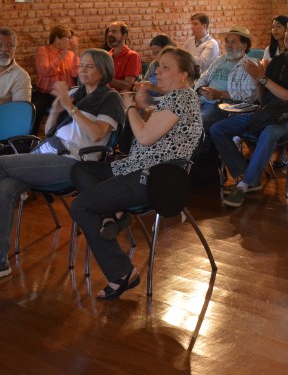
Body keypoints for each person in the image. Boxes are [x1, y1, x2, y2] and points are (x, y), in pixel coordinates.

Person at [70, 47, 201, 300]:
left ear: (183, 75)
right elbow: (148, 133)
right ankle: (112, 215)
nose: (157, 71)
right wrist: (141, 107)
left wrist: (129, 107)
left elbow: (144, 137)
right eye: (158, 65)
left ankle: (121, 273)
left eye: (165, 67)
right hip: (135, 167)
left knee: (81, 206)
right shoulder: (177, 98)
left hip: (151, 177)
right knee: (81, 168)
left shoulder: (180, 99)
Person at [0, 49, 124, 278]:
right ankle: (1, 262)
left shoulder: (110, 98)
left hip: (74, 162)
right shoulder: (77, 93)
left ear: (103, 70)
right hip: (48, 152)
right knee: (4, 187)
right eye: (82, 65)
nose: (83, 70)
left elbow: (97, 133)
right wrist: (57, 110)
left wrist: (70, 107)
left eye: (89, 66)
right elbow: (49, 132)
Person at [211, 17, 288, 208]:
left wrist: (262, 79)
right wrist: (256, 79)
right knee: (218, 129)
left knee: (269, 132)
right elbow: (262, 98)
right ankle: (246, 174)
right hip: (265, 112)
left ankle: (243, 186)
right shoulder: (278, 61)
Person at [194, 26, 258, 132]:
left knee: (196, 124)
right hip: (202, 101)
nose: (228, 45)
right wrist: (201, 89)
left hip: (224, 106)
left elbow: (249, 96)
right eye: (227, 42)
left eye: (233, 42)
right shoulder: (220, 60)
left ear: (244, 45)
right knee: (177, 118)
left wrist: (220, 94)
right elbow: (203, 77)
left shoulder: (250, 65)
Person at [32, 24, 80, 134]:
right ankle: (28, 142)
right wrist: (61, 57)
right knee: (34, 111)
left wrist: (76, 51)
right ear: (57, 38)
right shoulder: (43, 51)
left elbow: (75, 73)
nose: (70, 40)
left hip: (65, 94)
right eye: (67, 37)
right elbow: (44, 71)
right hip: (46, 93)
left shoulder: (71, 54)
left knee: (74, 110)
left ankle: (62, 139)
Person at [105, 21, 142, 91]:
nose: (109, 34)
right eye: (109, 31)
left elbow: (128, 85)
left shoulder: (132, 56)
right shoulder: (107, 55)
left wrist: (105, 79)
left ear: (124, 36)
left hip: (120, 98)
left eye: (114, 31)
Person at [0, 27, 31, 105]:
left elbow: (20, 112)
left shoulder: (21, 76)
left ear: (15, 48)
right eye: (0, 45)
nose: (5, 49)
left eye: (10, 45)